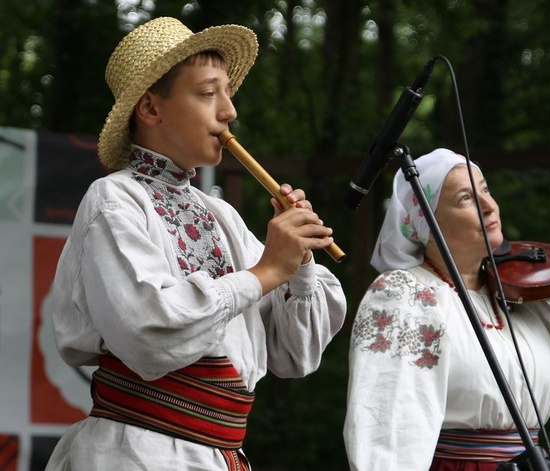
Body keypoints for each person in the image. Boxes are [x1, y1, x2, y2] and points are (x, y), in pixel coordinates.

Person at [44, 16, 346, 471]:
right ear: (150, 109)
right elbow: (148, 331)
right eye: (208, 94)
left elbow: (294, 355)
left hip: (216, 456)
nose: (229, 112)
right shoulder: (114, 199)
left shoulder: (220, 214)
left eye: (228, 93)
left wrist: (298, 262)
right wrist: (265, 272)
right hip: (137, 454)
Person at [343, 148, 550, 470]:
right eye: (466, 199)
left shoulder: (517, 293)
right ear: (427, 223)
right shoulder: (403, 295)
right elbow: (386, 425)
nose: (489, 206)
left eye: (486, 190)